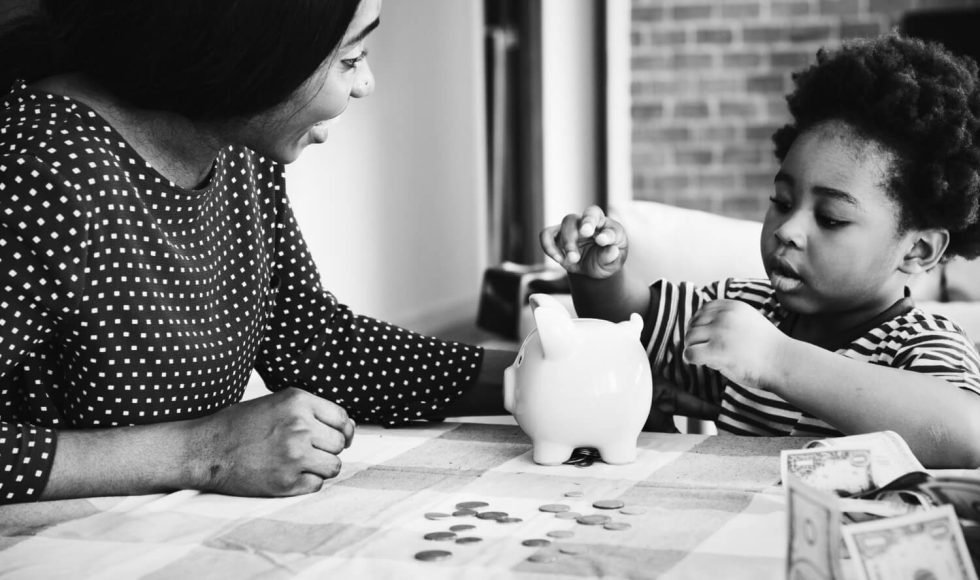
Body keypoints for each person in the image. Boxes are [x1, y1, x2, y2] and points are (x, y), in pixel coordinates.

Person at [0, 0, 514, 505]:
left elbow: (311, 343)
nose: (365, 84)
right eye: (350, 59)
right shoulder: (36, 173)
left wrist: (538, 379)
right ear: (249, 51)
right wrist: (201, 451)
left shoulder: (235, 147)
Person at [542, 33, 980, 468]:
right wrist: (599, 276)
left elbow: (966, 436)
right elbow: (634, 328)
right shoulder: (747, 308)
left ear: (918, 249)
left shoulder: (923, 346)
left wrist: (776, 358)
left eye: (829, 218)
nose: (788, 229)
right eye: (782, 202)